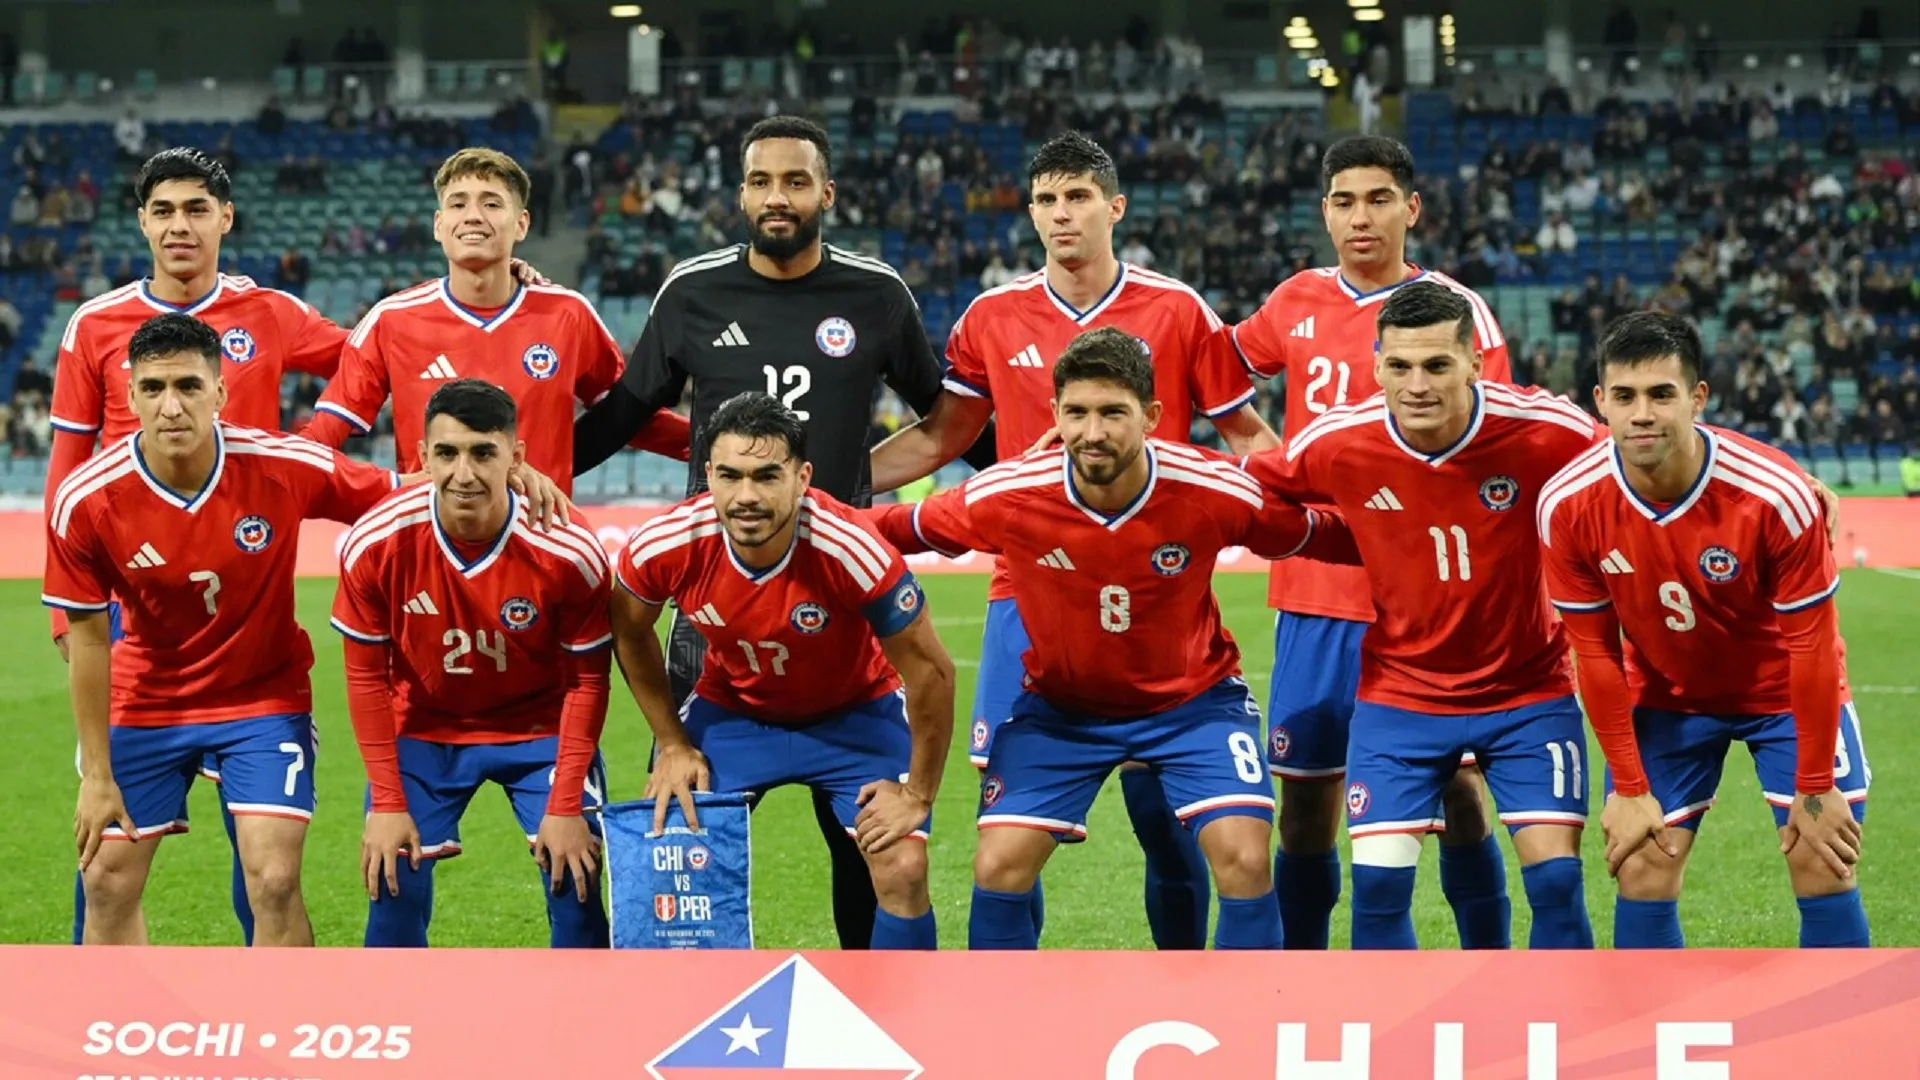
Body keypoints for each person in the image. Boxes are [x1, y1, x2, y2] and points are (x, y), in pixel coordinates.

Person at [569, 115, 994, 950]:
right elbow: (622, 414)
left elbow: (944, 422)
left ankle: (880, 1010)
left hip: (843, 584)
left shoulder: (875, 294)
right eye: (761, 181)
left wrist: (1014, 467)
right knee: (691, 830)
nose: (777, 197)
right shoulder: (692, 292)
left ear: (825, 193)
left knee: (861, 840)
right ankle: (697, 1012)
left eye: (795, 182)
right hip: (714, 596)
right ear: (740, 194)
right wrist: (538, 472)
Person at [867, 130, 1281, 951]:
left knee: (1170, 824)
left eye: (1079, 197)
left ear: (1114, 207)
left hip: (1152, 584)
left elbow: (1247, 435)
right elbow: (940, 438)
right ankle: (1023, 1013)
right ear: (1030, 212)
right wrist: (821, 488)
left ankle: (1192, 988)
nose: (1063, 214)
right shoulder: (993, 315)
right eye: (1048, 200)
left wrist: (1340, 504)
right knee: (1015, 837)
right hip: (1030, 590)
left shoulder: (1177, 310)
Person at [870, 327, 1361, 951]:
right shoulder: (1010, 494)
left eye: (1112, 413)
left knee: (1244, 858)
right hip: (1058, 713)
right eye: (1075, 412)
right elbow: (890, 527)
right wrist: (788, 519)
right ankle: (997, 1034)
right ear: (1053, 414)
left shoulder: (1210, 488)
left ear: (1152, 417)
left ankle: (1251, 1029)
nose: (1092, 432)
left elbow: (1324, 534)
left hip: (1195, 705)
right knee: (997, 865)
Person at [45, 147, 351, 947]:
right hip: (134, 608)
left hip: (248, 594)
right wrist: (69, 615)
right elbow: (67, 469)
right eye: (164, 211)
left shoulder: (270, 314)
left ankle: (268, 1036)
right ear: (143, 221)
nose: (180, 226)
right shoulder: (95, 325)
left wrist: (315, 443)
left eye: (196, 210)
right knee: (107, 864)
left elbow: (374, 360)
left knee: (266, 866)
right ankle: (105, 1035)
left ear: (226, 218)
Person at [1239, 282, 1597, 951]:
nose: (1417, 385)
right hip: (1400, 696)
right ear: (1376, 366)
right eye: (1399, 367)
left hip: (1527, 691)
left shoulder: (1547, 431)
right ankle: (1388, 1050)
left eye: (1436, 366)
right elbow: (1245, 484)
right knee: (1377, 892)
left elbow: (1641, 458)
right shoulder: (1342, 441)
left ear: (1474, 364)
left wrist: (1787, 475)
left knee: (1555, 884)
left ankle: (1554, 1041)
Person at [1230, 135, 1514, 951]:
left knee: (1458, 790)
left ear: (1411, 208)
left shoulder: (1456, 312)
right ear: (1325, 212)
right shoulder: (1294, 302)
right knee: (1308, 800)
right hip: (1317, 590)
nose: (1362, 217)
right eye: (1345, 201)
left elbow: (1495, 437)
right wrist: (1256, 448)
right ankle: (1307, 979)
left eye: (1379, 198)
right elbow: (1212, 374)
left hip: (1425, 594)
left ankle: (1489, 969)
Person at [42, 313, 399, 946]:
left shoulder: (280, 465)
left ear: (220, 394)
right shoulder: (88, 499)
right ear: (129, 398)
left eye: (188, 386)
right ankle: (113, 1035)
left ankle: (281, 1031)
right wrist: (96, 777)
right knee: (105, 880)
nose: (171, 406)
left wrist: (501, 480)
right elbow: (90, 639)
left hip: (261, 697)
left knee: (273, 877)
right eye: (153, 389)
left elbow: (401, 497)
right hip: (147, 700)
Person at [1537, 311, 1868, 948]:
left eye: (1662, 394)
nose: (1643, 414)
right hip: (1667, 696)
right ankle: (1647, 1038)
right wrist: (1629, 788)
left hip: (1784, 693)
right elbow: (1596, 657)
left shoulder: (1773, 495)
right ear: (1600, 402)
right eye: (1626, 396)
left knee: (1821, 859)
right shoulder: (1569, 504)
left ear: (1697, 398)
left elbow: (1812, 646)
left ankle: (1841, 1039)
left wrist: (1815, 787)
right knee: (1641, 866)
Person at [609, 392, 955, 949]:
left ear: (803, 477)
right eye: (730, 475)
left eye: (768, 476)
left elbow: (932, 672)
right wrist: (671, 742)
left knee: (903, 867)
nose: (746, 496)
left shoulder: (852, 548)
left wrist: (918, 793)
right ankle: (688, 1018)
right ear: (708, 475)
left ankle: (903, 1023)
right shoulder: (666, 544)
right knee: (673, 853)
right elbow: (628, 630)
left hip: (857, 714)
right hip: (735, 714)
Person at [331, 379, 615, 948]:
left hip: (541, 731)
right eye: (447, 453)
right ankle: (403, 1029)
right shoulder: (376, 543)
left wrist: (565, 807)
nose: (464, 472)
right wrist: (386, 802)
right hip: (424, 731)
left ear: (517, 457)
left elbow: (589, 679)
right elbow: (364, 678)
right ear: (421, 456)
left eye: (483, 452)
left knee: (576, 881)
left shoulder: (567, 549)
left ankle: (589, 1027)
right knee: (392, 882)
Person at [301, 147, 689, 491]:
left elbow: (630, 419)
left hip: (543, 543)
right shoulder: (392, 320)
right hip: (431, 547)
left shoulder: (567, 314)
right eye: (457, 204)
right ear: (439, 225)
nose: (472, 216)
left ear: (521, 224)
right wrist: (394, 487)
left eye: (491, 203)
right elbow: (318, 444)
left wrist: (725, 445)